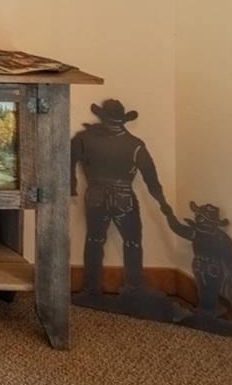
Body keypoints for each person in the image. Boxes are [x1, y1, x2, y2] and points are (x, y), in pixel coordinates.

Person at [70, 99, 173, 296]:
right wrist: (162, 203)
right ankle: (132, 286)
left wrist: (71, 186)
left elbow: (68, 161)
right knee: (132, 241)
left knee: (94, 240)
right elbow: (151, 177)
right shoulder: (134, 144)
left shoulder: (84, 138)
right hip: (123, 196)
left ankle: (92, 288)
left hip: (96, 195)